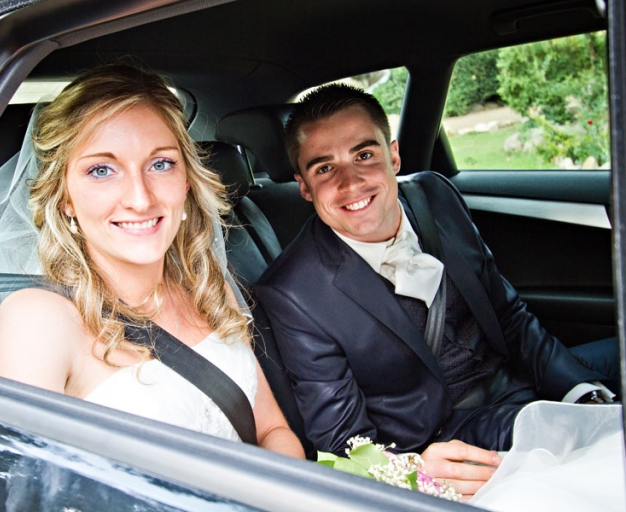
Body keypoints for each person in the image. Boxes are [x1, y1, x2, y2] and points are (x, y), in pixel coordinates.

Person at [254, 83, 618, 495]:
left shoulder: (435, 196)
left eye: (364, 155)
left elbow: (509, 316)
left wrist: (581, 393)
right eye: (324, 168)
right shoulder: (293, 294)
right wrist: (416, 476)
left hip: (514, 379)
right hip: (448, 435)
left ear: (393, 155)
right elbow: (343, 443)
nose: (351, 181)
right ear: (304, 186)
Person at [0, 64, 304, 458]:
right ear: (65, 197)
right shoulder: (38, 320)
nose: (140, 198)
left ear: (187, 181)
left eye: (161, 164)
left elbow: (272, 430)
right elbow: (24, 488)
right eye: (101, 170)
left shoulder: (207, 287)